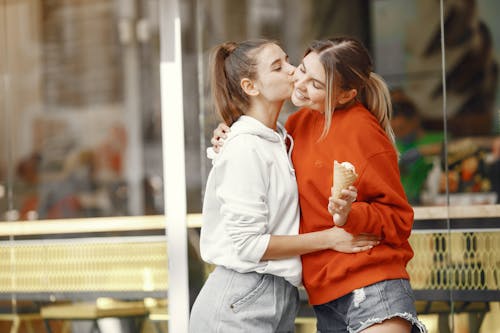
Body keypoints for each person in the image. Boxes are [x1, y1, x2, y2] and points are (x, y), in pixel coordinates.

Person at [212, 37, 427, 333]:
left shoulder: (362, 130)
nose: (299, 82)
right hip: (325, 297)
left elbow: (399, 218)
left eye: (316, 84)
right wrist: (229, 135)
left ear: (344, 94)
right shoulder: (292, 129)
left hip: (372, 282)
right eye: (301, 69)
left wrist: (350, 216)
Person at [190, 39, 379, 333]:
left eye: (289, 61)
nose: (294, 72)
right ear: (251, 87)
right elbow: (250, 244)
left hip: (277, 297)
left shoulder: (280, 138)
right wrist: (331, 238)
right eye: (279, 67)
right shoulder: (245, 146)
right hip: (240, 299)